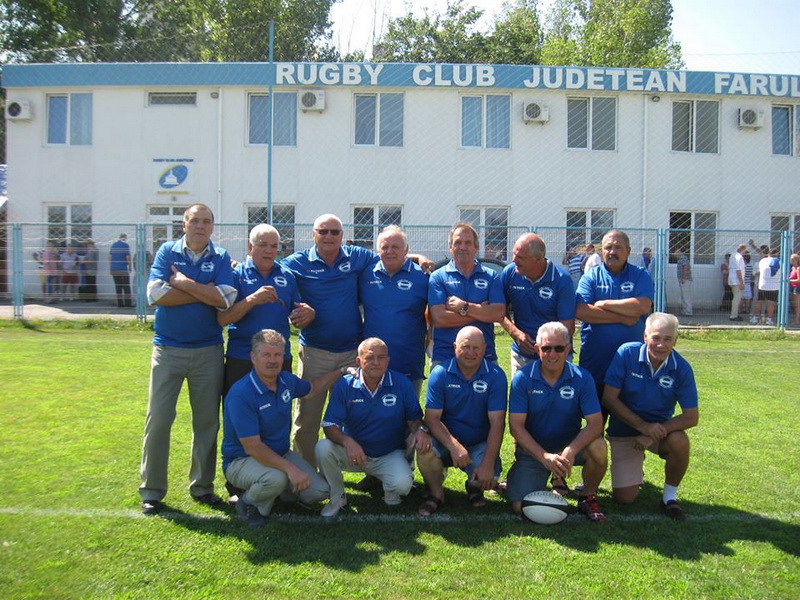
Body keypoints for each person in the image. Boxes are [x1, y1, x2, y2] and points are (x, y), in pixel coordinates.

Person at [139, 203, 236, 515]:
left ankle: (202, 487)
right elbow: (155, 295)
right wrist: (203, 291)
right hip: (167, 350)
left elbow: (225, 299)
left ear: (212, 226)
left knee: (206, 423)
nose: (200, 226)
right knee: (158, 420)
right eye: (195, 221)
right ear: (184, 224)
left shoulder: (220, 256)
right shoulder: (167, 251)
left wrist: (181, 283)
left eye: (206, 221)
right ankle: (152, 491)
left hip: (208, 351)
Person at [222, 329, 343, 527]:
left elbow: (313, 388)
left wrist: (341, 371)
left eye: (277, 354)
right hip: (242, 460)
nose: (273, 360)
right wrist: (291, 469)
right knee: (276, 478)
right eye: (266, 355)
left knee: (320, 491)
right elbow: (253, 447)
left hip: (280, 453)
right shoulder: (241, 394)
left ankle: (276, 494)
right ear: (253, 357)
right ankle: (247, 503)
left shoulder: (286, 380)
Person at [315, 337, 430, 517]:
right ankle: (337, 496)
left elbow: (414, 419)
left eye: (381, 357)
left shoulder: (402, 383)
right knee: (323, 448)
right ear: (358, 360)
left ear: (388, 360)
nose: (376, 362)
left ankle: (390, 489)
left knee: (402, 485)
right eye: (369, 357)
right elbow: (329, 425)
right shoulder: (345, 384)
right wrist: (347, 442)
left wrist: (421, 430)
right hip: (354, 454)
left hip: (388, 453)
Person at [506, 322, 607, 523]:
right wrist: (544, 456)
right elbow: (515, 427)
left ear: (568, 349)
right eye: (546, 348)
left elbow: (596, 424)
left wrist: (570, 450)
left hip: (569, 446)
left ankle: (588, 496)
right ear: (537, 349)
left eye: (559, 348)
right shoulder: (522, 379)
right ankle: (530, 478)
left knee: (599, 446)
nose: (552, 354)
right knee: (520, 506)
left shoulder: (582, 378)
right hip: (534, 452)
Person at [602, 312, 699, 521]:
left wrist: (650, 433)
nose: (661, 345)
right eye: (656, 338)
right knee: (625, 498)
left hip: (657, 433)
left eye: (668, 339)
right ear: (645, 336)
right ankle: (636, 467)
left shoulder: (682, 368)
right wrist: (643, 427)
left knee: (680, 440)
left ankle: (669, 497)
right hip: (624, 432)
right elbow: (609, 398)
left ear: (675, 341)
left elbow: (691, 417)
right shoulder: (626, 353)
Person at [417, 326, 507, 516]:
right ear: (455, 347)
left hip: (478, 443)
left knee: (491, 475)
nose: (470, 353)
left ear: (485, 349)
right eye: (465, 347)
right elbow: (432, 418)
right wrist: (454, 446)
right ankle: (436, 494)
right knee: (424, 450)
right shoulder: (440, 373)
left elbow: (498, 423)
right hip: (445, 442)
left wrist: (488, 463)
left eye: (476, 348)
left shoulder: (496, 375)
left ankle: (474, 487)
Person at [218, 224, 315, 396]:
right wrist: (252, 300)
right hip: (242, 357)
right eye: (263, 245)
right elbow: (223, 319)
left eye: (274, 246)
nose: (269, 251)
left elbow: (297, 316)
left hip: (278, 359)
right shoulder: (236, 275)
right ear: (250, 247)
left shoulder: (287, 276)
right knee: (238, 409)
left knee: (278, 409)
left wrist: (308, 314)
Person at [575, 230, 654, 400]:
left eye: (618, 247)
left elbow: (643, 305)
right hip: (596, 365)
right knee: (595, 415)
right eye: (608, 247)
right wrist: (622, 317)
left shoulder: (640, 275)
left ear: (628, 251)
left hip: (633, 367)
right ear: (601, 251)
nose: (612, 252)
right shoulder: (591, 277)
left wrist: (604, 304)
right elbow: (582, 311)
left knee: (628, 416)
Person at [359, 225, 429, 397]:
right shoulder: (365, 274)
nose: (389, 251)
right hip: (372, 363)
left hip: (409, 362)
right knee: (371, 411)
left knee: (409, 411)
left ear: (406, 249)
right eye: (385, 247)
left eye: (395, 247)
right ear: (377, 251)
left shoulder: (423, 277)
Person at [428, 222, 505, 366]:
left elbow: (498, 314)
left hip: (485, 356)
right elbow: (440, 319)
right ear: (450, 247)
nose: (463, 247)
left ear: (476, 247)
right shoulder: (438, 277)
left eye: (468, 243)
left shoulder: (491, 276)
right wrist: (481, 313)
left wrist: (463, 307)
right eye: (458, 242)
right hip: (445, 356)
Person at [500, 232, 575, 376]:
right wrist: (516, 333)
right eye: (514, 254)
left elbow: (568, 326)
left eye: (520, 257)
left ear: (538, 259)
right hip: (522, 355)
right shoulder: (510, 273)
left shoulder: (561, 279)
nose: (514, 260)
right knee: (521, 390)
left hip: (555, 355)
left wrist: (547, 349)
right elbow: (498, 310)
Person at [751, 246, 780, 326]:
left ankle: (755, 317)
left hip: (762, 284)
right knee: (771, 302)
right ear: (777, 254)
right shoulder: (779, 261)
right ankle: (769, 319)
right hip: (773, 286)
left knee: (759, 301)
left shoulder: (762, 261)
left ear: (768, 254)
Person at [110, 232, 133, 308]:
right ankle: (128, 303)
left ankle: (120, 304)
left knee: (118, 286)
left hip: (114, 269)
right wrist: (130, 267)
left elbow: (110, 257)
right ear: (125, 238)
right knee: (126, 286)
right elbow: (127, 257)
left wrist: (112, 266)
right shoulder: (125, 245)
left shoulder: (113, 245)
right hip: (122, 269)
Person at [728, 244, 746, 321]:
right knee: (737, 299)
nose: (745, 252)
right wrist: (741, 282)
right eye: (745, 250)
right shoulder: (740, 257)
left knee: (735, 298)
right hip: (737, 281)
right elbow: (738, 270)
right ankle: (734, 315)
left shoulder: (733, 255)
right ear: (742, 249)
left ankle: (734, 314)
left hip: (731, 279)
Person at [676, 249, 693, 317]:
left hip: (685, 280)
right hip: (683, 280)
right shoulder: (681, 258)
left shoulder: (683, 258)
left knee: (686, 296)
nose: (675, 256)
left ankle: (688, 311)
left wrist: (684, 278)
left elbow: (685, 267)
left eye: (676, 254)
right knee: (683, 296)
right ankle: (685, 310)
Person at [789, 253, 800, 326]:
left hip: (797, 287)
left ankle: (797, 320)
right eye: (791, 259)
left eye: (793, 259)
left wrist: (789, 280)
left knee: (797, 305)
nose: (791, 261)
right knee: (794, 304)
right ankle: (795, 319)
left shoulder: (798, 268)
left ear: (797, 260)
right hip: (793, 287)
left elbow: (799, 280)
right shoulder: (793, 268)